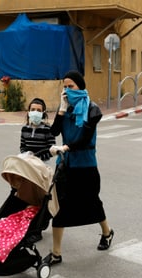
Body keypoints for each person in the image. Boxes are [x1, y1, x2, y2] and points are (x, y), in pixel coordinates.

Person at [44, 70, 114, 266]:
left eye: (71, 86)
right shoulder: (64, 108)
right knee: (59, 208)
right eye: (64, 87)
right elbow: (54, 131)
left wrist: (67, 147)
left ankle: (107, 232)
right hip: (65, 165)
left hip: (86, 164)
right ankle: (56, 253)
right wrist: (61, 110)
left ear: (80, 87)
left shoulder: (92, 109)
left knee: (92, 201)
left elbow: (84, 138)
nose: (67, 90)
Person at [20, 98, 56, 162]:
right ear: (29, 112)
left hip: (42, 163)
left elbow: (51, 150)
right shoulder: (25, 129)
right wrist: (26, 156)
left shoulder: (48, 129)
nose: (35, 112)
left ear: (43, 113)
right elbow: (22, 147)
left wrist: (38, 158)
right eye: (33, 110)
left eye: (39, 110)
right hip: (27, 162)